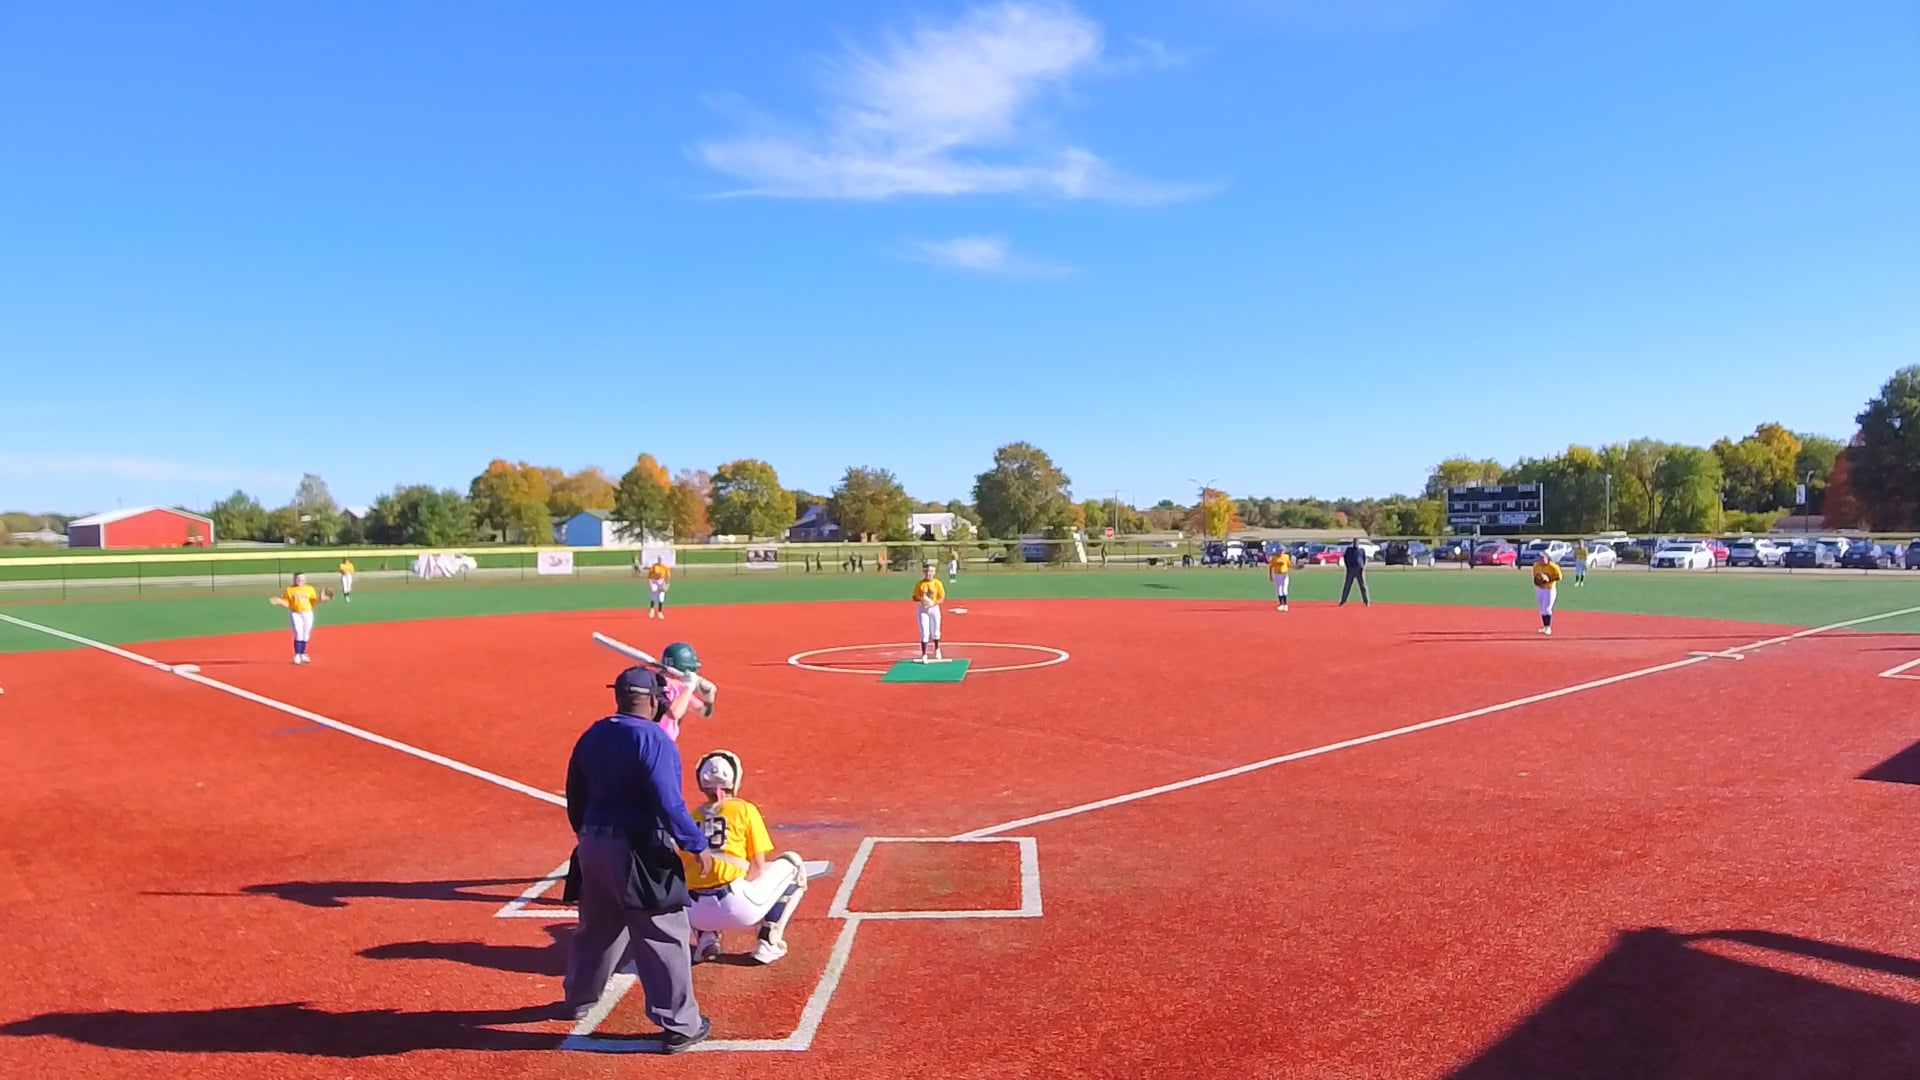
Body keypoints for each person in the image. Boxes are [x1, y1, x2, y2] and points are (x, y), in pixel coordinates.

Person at [562, 666, 714, 1053]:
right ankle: (681, 1024)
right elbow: (668, 801)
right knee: (663, 931)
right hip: (637, 849)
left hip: (593, 845)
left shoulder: (593, 734)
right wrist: (695, 844)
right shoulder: (654, 738)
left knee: (598, 927)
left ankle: (578, 998)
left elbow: (575, 793)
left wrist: (587, 837)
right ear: (652, 700)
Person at [684, 750, 809, 966]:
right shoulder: (744, 809)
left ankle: (705, 938)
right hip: (737, 906)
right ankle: (768, 941)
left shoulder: (691, 816)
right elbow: (758, 867)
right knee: (793, 863)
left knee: (696, 877)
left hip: (694, 912)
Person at [268, 572, 330, 664]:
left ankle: (303, 654)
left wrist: (321, 599)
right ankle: (297, 655)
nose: (300, 580)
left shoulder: (310, 589)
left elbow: (313, 602)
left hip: (308, 613)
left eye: (302, 579)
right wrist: (280, 602)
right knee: (298, 633)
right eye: (298, 579)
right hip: (295, 613)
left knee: (306, 634)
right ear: (294, 580)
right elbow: (288, 604)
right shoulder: (289, 590)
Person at [912, 563, 945, 661]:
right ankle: (924, 654)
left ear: (934, 572)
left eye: (931, 571)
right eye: (927, 571)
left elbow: (942, 598)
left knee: (936, 631)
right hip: (923, 609)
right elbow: (914, 597)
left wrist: (933, 602)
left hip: (934, 608)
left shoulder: (937, 583)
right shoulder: (920, 584)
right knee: (924, 632)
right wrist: (922, 599)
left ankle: (937, 649)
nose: (928, 573)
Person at [1533, 552, 1563, 635]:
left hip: (1550, 589)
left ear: (1547, 558)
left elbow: (1559, 577)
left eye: (1542, 558)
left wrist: (1548, 579)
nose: (1541, 560)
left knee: (1547, 608)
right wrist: (1539, 583)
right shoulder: (1536, 566)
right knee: (1541, 608)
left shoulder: (1553, 566)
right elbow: (1535, 578)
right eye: (1539, 558)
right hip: (1540, 589)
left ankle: (1548, 627)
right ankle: (1544, 627)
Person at [1338, 539, 1371, 608]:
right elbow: (1345, 558)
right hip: (1350, 570)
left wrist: (1362, 566)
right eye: (1355, 542)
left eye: (1357, 542)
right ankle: (1343, 601)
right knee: (1347, 586)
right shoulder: (1349, 550)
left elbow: (1364, 559)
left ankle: (1366, 601)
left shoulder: (1361, 550)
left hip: (1359, 571)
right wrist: (1348, 567)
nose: (1356, 544)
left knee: (1363, 586)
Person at [1267, 545, 1292, 612]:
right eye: (1279, 550)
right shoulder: (1274, 558)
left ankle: (1285, 605)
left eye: (1282, 550)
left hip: (1284, 574)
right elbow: (1271, 567)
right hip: (1277, 574)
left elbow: (1289, 565)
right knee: (1279, 589)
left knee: (1284, 589)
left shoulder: (1286, 557)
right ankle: (1281, 604)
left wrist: (1297, 567)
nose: (1280, 552)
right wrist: (1270, 576)